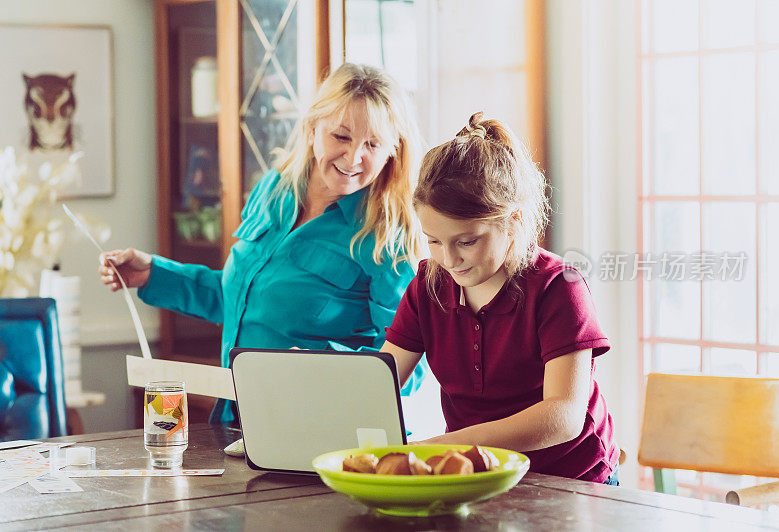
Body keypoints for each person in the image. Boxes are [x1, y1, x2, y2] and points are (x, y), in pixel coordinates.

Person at [99, 63, 427, 424]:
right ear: (312, 127)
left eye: (373, 144)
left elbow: (408, 365)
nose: (354, 158)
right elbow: (241, 302)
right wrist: (153, 275)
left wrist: (322, 366)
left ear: (392, 151)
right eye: (342, 137)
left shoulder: (386, 236)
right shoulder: (274, 189)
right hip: (237, 418)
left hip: (318, 428)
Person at [380, 112, 619, 484]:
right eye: (434, 241)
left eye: (467, 241)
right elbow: (383, 380)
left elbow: (564, 416)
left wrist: (447, 446)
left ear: (513, 222)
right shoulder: (428, 284)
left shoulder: (560, 287)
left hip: (568, 480)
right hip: (479, 478)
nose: (449, 259)